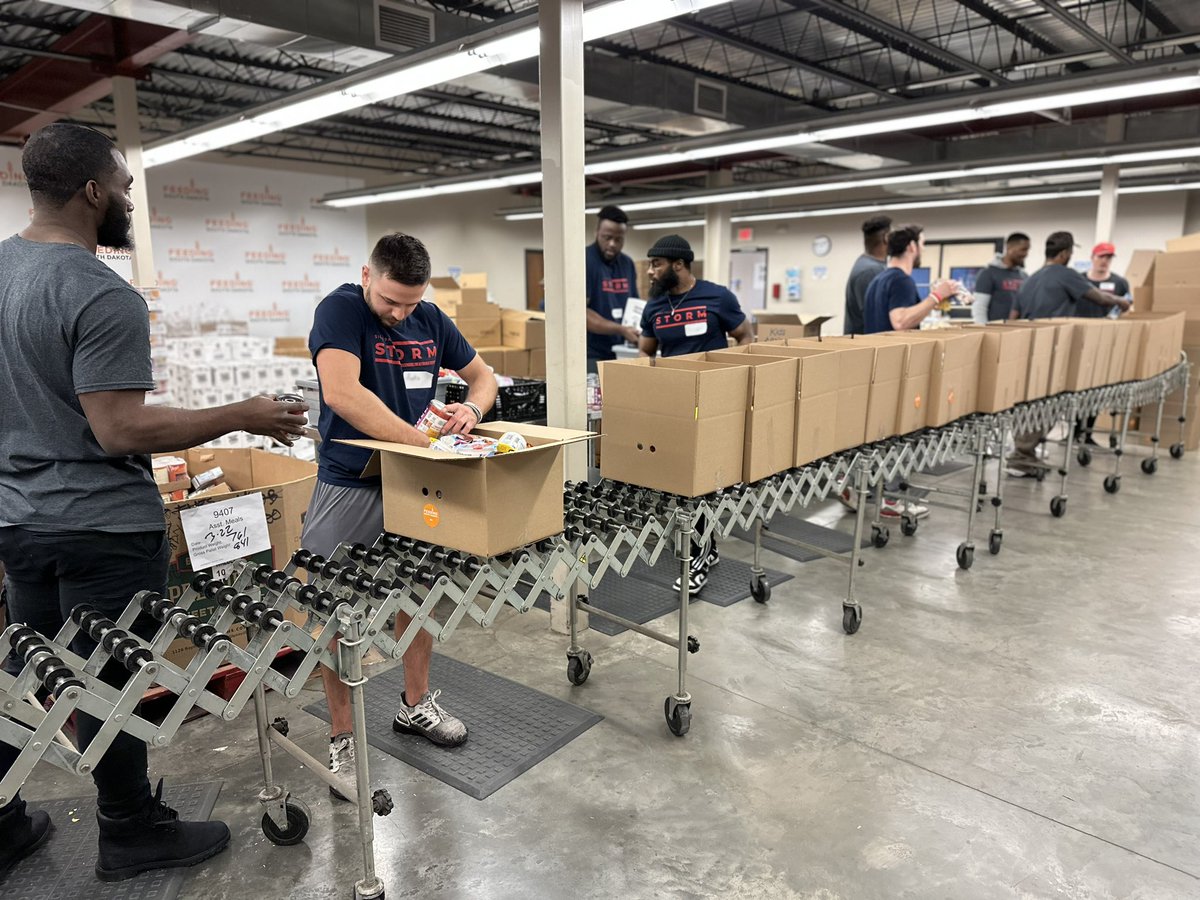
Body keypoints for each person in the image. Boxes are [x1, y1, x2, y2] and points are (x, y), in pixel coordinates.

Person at [0, 123, 308, 880]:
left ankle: (2, 819)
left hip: (19, 520)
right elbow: (118, 429)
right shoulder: (101, 292)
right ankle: (130, 828)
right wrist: (244, 414)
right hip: (99, 525)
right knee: (109, 680)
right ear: (93, 191)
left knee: (32, 671)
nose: (132, 199)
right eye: (126, 185)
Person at [303, 233, 498, 799]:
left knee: (420, 594)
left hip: (419, 484)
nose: (400, 313)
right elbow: (342, 394)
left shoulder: (431, 319)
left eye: (411, 303)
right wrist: (418, 442)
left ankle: (415, 706)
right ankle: (342, 737)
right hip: (353, 482)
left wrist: (470, 406)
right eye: (391, 301)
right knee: (334, 610)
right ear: (367, 275)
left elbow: (484, 378)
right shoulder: (339, 310)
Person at [638, 234, 752, 594]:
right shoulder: (654, 307)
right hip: (674, 404)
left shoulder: (717, 297)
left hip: (714, 404)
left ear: (679, 265)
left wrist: (734, 386)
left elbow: (745, 338)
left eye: (656, 264)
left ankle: (701, 555)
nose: (650, 271)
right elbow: (646, 353)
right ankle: (706, 547)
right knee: (680, 481)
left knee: (701, 483)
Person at [1008, 231, 1131, 476]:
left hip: (1028, 347)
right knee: (1049, 403)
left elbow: (1013, 316)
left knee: (1030, 402)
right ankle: (1022, 455)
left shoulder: (1029, 279)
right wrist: (1121, 301)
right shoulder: (1066, 274)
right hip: (1054, 349)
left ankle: (1023, 453)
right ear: (1064, 254)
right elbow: (1098, 297)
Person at [862, 223, 960, 335]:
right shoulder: (901, 280)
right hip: (895, 351)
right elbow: (900, 322)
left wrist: (929, 305)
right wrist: (937, 296)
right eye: (922, 244)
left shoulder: (878, 280)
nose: (924, 249)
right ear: (912, 246)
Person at [585, 205, 641, 373]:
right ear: (597, 232)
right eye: (607, 237)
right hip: (592, 353)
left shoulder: (627, 264)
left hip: (623, 351)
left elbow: (635, 305)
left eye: (618, 240)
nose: (612, 244)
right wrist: (620, 329)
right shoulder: (584, 260)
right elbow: (581, 313)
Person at [843, 215, 892, 335]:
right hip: (864, 346)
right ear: (886, 238)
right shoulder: (870, 271)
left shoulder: (873, 266)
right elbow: (874, 317)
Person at [971, 232, 1030, 323]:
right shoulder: (988, 273)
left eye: (1027, 250)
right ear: (1009, 248)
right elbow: (979, 308)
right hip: (995, 332)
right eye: (1023, 249)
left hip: (1017, 331)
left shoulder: (1024, 276)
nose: (1026, 254)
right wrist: (984, 331)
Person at [1080, 242, 1131, 319]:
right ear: (1092, 257)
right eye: (1101, 256)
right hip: (1081, 325)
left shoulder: (1120, 283)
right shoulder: (1079, 280)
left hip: (1107, 327)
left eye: (1108, 257)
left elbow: (1127, 308)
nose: (1104, 261)